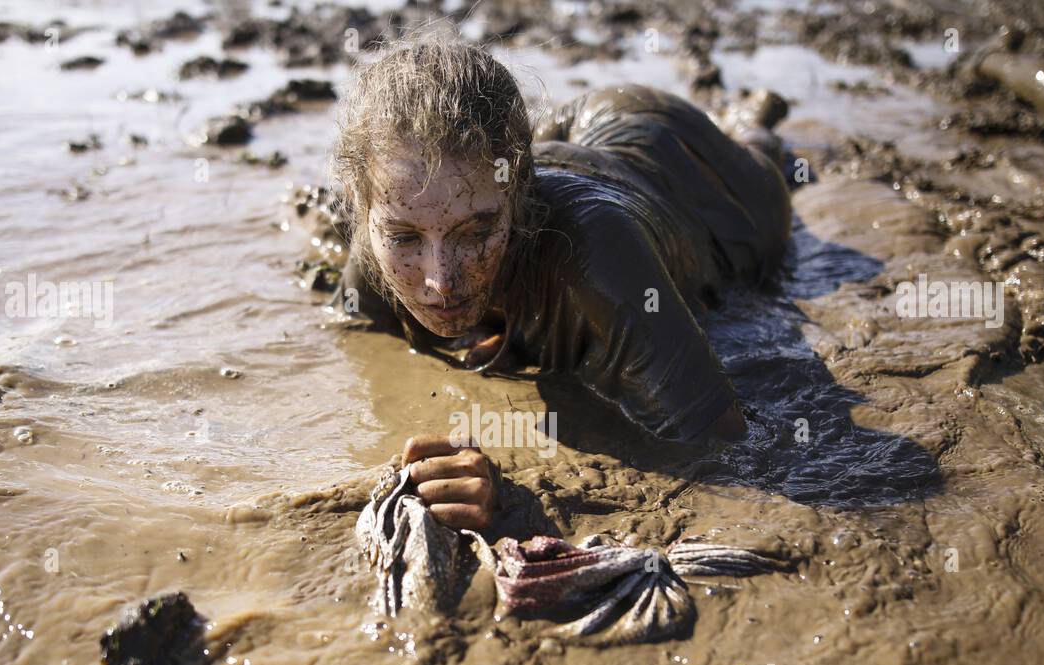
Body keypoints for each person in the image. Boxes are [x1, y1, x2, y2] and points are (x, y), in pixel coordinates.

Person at [328, 33, 792, 531]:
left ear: (522, 188)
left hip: (687, 163)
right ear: (360, 202)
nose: (440, 280)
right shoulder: (382, 221)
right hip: (558, 141)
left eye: (477, 231)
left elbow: (728, 449)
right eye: (404, 238)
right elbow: (360, 342)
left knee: (766, 162)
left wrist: (515, 497)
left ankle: (754, 122)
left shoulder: (596, 256)